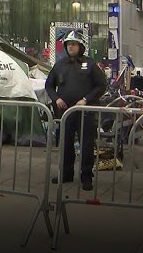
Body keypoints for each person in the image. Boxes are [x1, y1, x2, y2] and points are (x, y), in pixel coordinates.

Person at [45, 30, 107, 191]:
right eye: (68, 44)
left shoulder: (90, 64)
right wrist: (56, 98)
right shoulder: (60, 65)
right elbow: (49, 85)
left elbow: (101, 85)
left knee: (86, 145)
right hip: (65, 114)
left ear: (81, 46)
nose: (70, 47)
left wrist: (86, 99)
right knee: (66, 144)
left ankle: (86, 176)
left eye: (73, 44)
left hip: (85, 112)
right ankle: (66, 173)